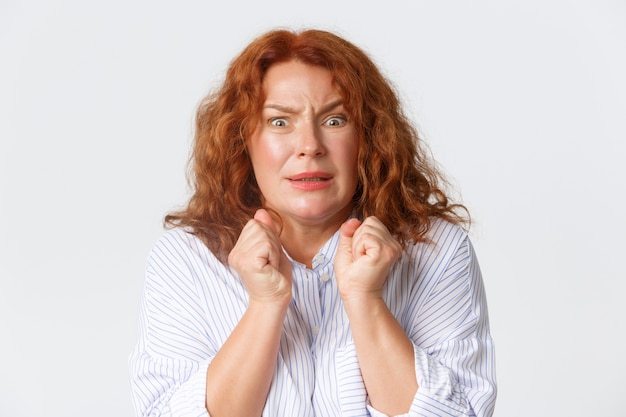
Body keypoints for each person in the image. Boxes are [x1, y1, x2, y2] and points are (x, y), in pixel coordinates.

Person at [129, 28, 497, 417]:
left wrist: (365, 300)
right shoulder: (184, 259)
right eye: (279, 122)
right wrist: (266, 304)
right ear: (243, 139)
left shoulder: (436, 250)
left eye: (335, 120)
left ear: (368, 137)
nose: (310, 144)